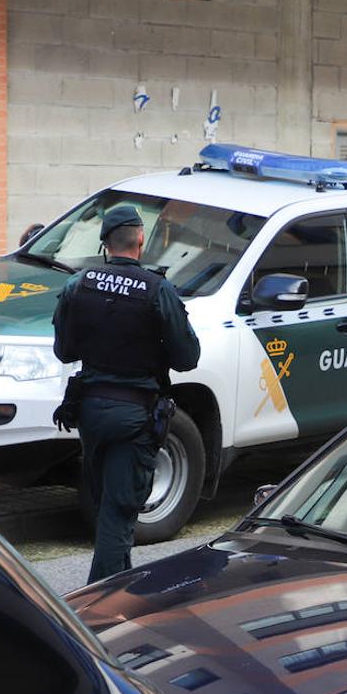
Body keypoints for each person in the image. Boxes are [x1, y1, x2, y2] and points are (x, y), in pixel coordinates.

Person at [52, 205, 200, 583]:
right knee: (119, 515)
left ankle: (125, 593)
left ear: (105, 244)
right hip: (134, 416)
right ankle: (99, 608)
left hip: (89, 412)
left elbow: (64, 351)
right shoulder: (157, 289)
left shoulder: (78, 284)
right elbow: (188, 358)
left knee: (109, 512)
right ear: (139, 239)